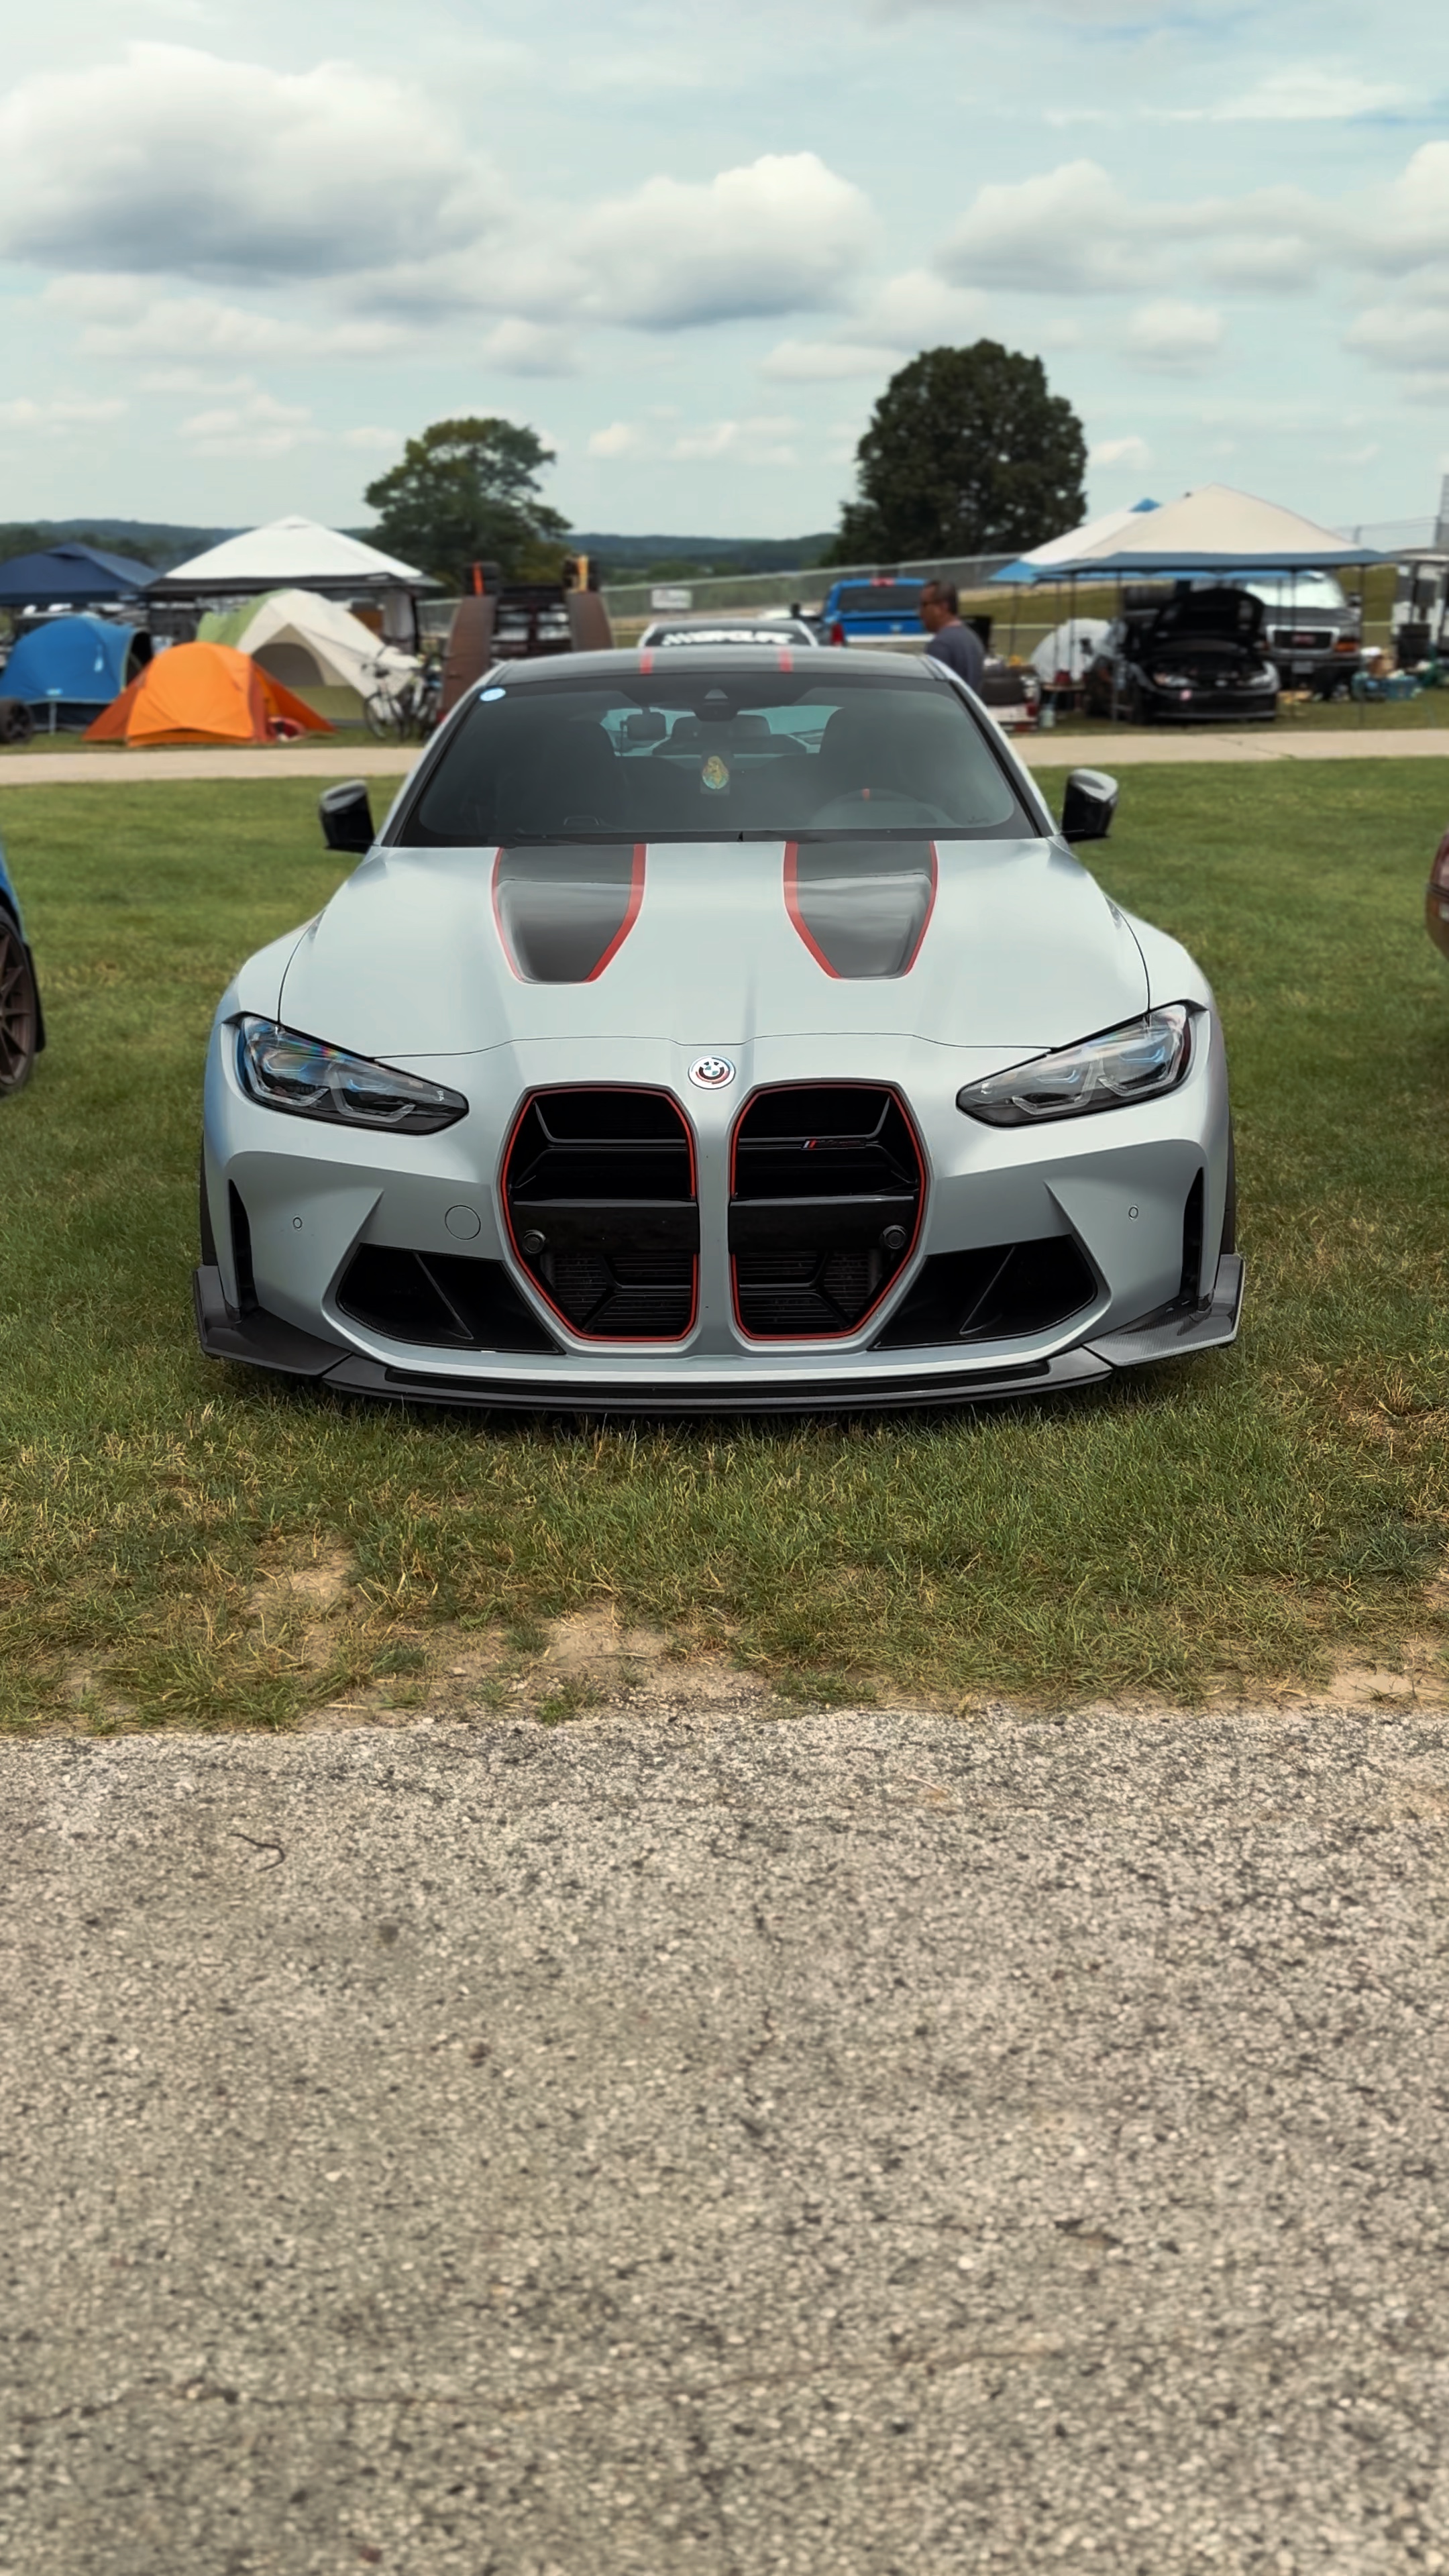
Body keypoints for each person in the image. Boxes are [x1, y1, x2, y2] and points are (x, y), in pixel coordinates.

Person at [920, 580, 985, 694]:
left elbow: (933, 694)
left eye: (924, 605)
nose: (920, 612)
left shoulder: (941, 645)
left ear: (942, 607)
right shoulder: (972, 638)